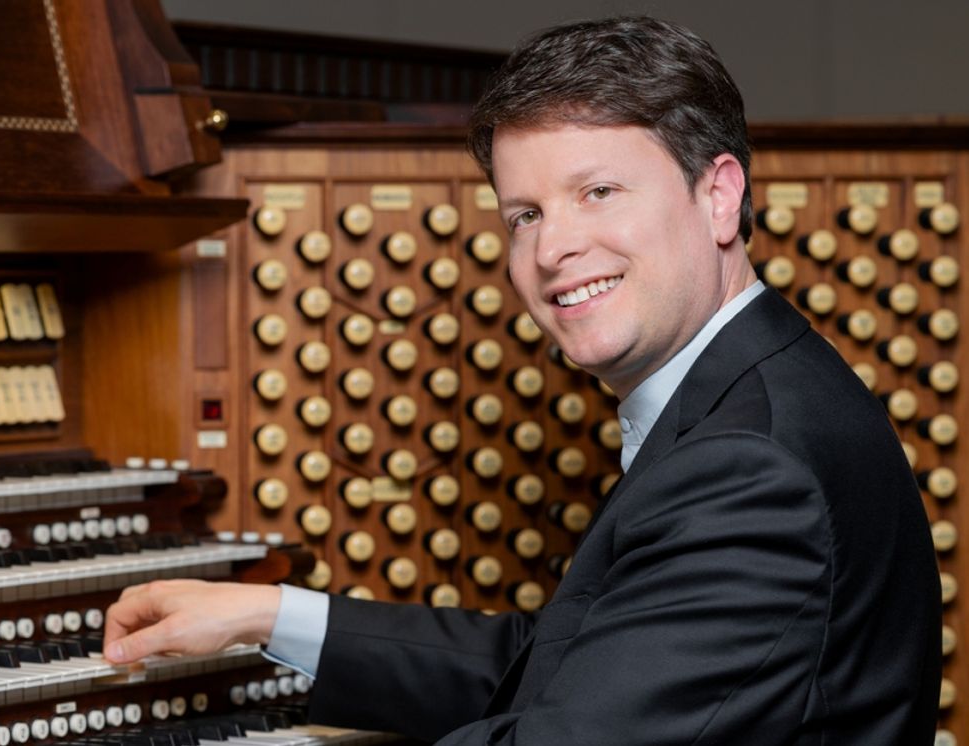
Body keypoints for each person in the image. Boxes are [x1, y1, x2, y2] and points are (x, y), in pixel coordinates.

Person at [104, 16, 940, 745]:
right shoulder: (755, 388)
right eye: (525, 215)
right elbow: (561, 671)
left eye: (598, 192)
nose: (552, 249)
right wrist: (269, 614)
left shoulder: (751, 468)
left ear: (720, 196)